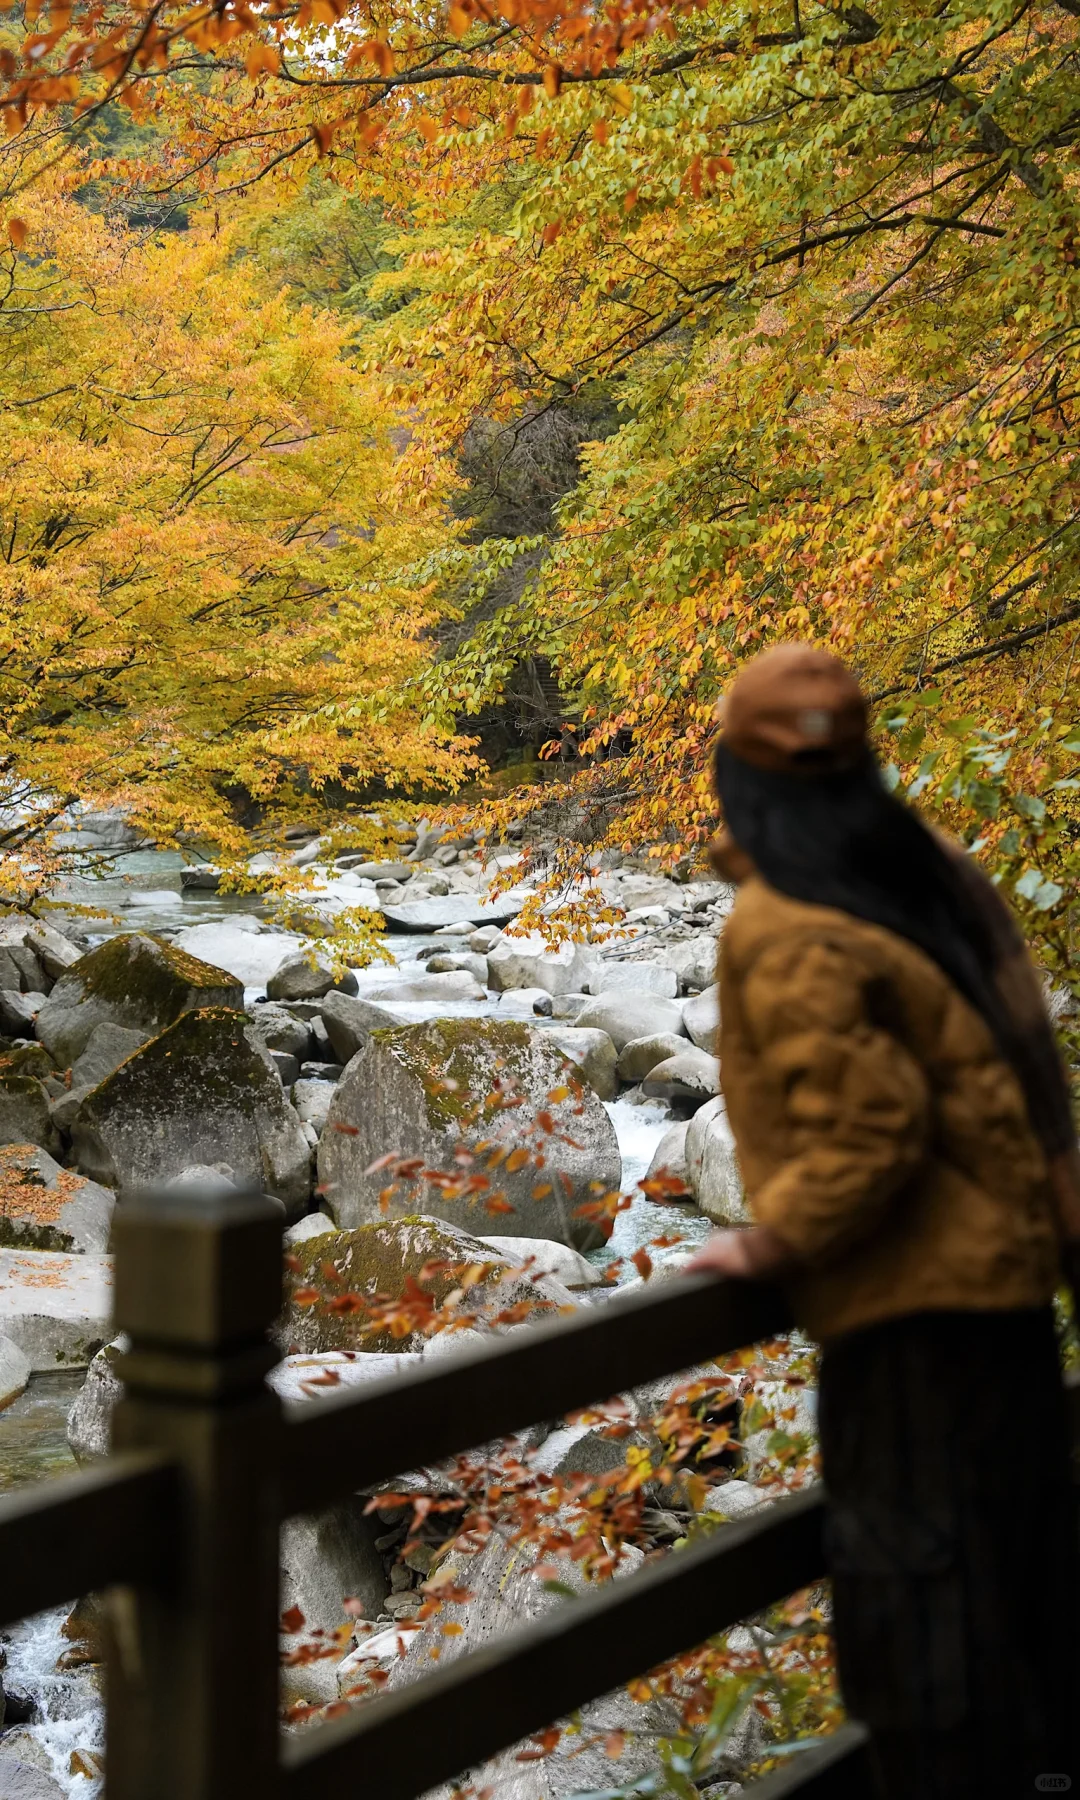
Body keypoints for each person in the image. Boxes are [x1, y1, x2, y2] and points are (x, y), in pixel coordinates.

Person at [685, 643, 1080, 1800]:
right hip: (1007, 1293)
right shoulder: (928, 870)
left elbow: (869, 1126)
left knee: (919, 1619)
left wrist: (770, 1242)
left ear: (733, 775)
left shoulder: (786, 918)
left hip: (907, 1315)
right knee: (1024, 1582)